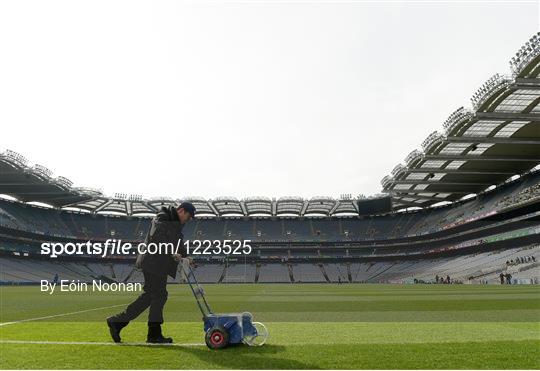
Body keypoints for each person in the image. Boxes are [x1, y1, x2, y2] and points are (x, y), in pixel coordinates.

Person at [106, 202, 196, 344]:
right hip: (153, 262)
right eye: (189, 216)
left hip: (159, 264)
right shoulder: (162, 218)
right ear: (181, 211)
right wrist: (171, 252)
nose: (189, 220)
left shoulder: (176, 225)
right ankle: (153, 334)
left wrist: (187, 257)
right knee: (159, 295)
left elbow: (179, 242)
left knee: (150, 296)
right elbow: (157, 238)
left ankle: (118, 322)